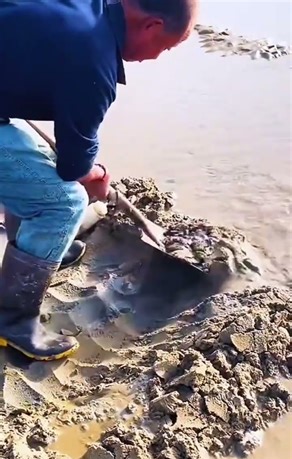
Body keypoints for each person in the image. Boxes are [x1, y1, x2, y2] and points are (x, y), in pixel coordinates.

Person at [0, 0, 198, 361]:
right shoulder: (92, 61)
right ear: (151, 25)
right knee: (64, 203)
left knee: (35, 168)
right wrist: (96, 179)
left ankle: (39, 250)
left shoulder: (82, 8)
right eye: (165, 48)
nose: (156, 58)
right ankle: (12, 321)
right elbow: (73, 167)